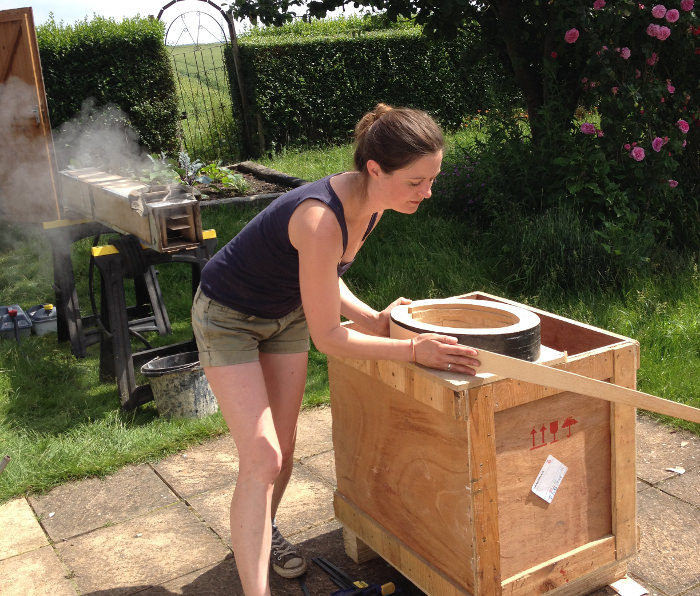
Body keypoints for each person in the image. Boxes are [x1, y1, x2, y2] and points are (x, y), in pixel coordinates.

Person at [191, 103, 480, 596]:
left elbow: (323, 280)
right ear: (374, 169)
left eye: (431, 179)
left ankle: (261, 529)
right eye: (416, 181)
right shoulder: (321, 218)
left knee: (281, 450)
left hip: (285, 315)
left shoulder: (372, 206)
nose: (427, 192)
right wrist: (414, 351)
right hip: (227, 315)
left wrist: (373, 319)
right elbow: (329, 338)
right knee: (261, 457)